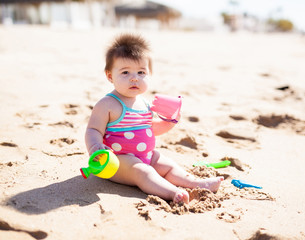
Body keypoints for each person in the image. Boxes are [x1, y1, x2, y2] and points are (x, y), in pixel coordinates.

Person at [85, 33, 223, 204]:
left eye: (141, 72)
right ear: (110, 76)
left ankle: (196, 183)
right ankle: (173, 192)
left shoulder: (144, 102)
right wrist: (95, 148)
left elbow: (151, 129)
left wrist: (170, 122)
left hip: (146, 155)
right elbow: (93, 129)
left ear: (149, 74)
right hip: (117, 161)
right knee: (144, 172)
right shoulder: (107, 104)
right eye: (125, 72)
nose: (134, 78)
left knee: (168, 165)